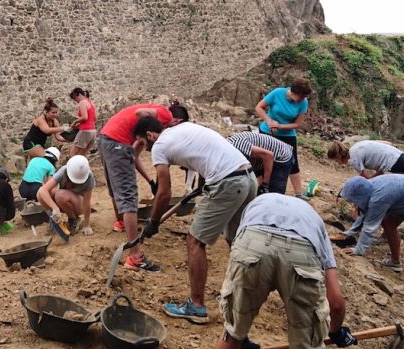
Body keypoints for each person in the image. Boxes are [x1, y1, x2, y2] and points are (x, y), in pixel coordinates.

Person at [200, 193, 356, 349]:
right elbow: (337, 303)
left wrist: (241, 335)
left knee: (232, 330)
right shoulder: (315, 223)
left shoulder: (253, 206)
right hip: (302, 250)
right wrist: (336, 331)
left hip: (252, 241)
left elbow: (238, 249)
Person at [135, 117, 256, 323]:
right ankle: (243, 294)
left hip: (227, 182)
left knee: (194, 241)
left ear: (150, 135)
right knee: (236, 239)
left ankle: (196, 307)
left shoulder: (160, 146)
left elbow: (164, 193)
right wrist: (205, 181)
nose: (145, 150)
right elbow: (206, 151)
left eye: (143, 144)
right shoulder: (183, 128)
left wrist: (153, 221)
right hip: (247, 176)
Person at [98, 103, 179, 272]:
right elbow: (140, 112)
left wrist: (150, 181)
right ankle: (135, 257)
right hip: (117, 142)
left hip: (107, 138)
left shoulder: (144, 130)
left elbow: (132, 156)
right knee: (128, 197)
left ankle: (121, 222)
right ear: (176, 122)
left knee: (117, 187)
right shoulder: (164, 116)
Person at [339, 175, 404, 293]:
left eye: (353, 200)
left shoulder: (379, 197)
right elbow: (365, 212)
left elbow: (370, 226)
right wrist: (350, 232)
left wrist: (358, 250)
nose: (353, 204)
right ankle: (395, 262)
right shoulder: (367, 187)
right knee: (388, 224)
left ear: (359, 196)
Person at [255, 78, 311, 200]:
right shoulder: (277, 93)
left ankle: (298, 194)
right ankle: (260, 187)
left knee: (292, 163)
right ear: (293, 92)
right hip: (266, 131)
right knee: (263, 160)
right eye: (301, 96)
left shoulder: (303, 102)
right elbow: (259, 107)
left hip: (287, 135)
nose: (303, 99)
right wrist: (269, 121)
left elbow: (297, 124)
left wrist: (279, 126)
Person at [37, 155, 95, 236]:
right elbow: (42, 191)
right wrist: (54, 208)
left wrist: (87, 225)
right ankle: (53, 220)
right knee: (40, 194)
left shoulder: (89, 176)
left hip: (79, 204)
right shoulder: (63, 170)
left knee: (60, 195)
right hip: (64, 202)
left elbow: (87, 202)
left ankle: (74, 220)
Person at [227, 131, 294, 194]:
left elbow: (268, 156)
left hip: (280, 155)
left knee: (273, 193)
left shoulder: (237, 145)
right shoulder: (228, 149)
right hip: (261, 160)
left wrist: (265, 184)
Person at [327, 140, 404, 178]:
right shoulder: (357, 146)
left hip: (395, 163)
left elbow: (368, 180)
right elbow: (385, 142)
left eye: (336, 160)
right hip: (401, 156)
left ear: (338, 156)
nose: (337, 163)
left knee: (383, 189)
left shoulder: (354, 159)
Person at [69, 88, 97, 156]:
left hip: (85, 131)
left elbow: (85, 117)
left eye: (75, 98)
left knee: (73, 154)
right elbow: (95, 118)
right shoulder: (90, 102)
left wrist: (75, 122)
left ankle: (72, 166)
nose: (76, 101)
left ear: (79, 95)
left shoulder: (82, 102)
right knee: (83, 155)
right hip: (93, 131)